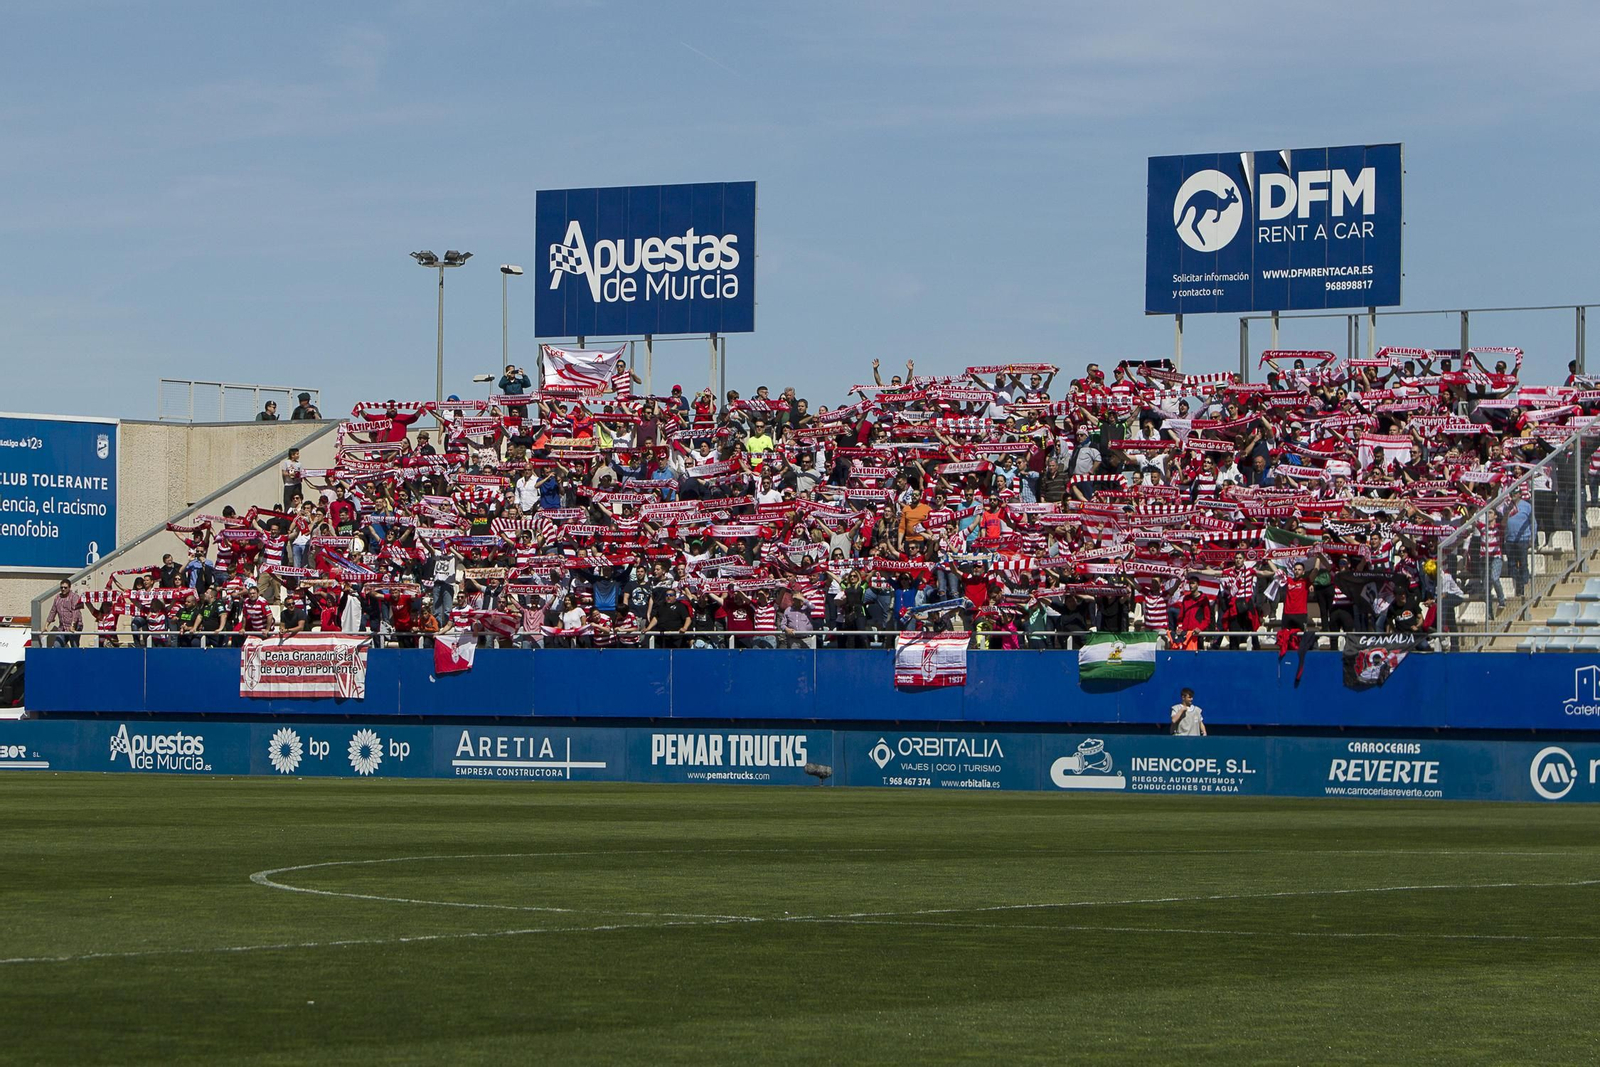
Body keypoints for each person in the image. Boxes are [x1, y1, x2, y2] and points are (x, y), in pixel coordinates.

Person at [46, 580, 84, 648]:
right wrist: (46, 625)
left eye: (65, 587)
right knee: (57, 646)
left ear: (69, 587)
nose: (63, 589)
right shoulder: (57, 597)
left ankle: (76, 658)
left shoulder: (74, 597)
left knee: (74, 647)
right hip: (62, 627)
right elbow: (53, 611)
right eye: (61, 587)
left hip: (75, 626)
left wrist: (73, 625)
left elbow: (76, 612)